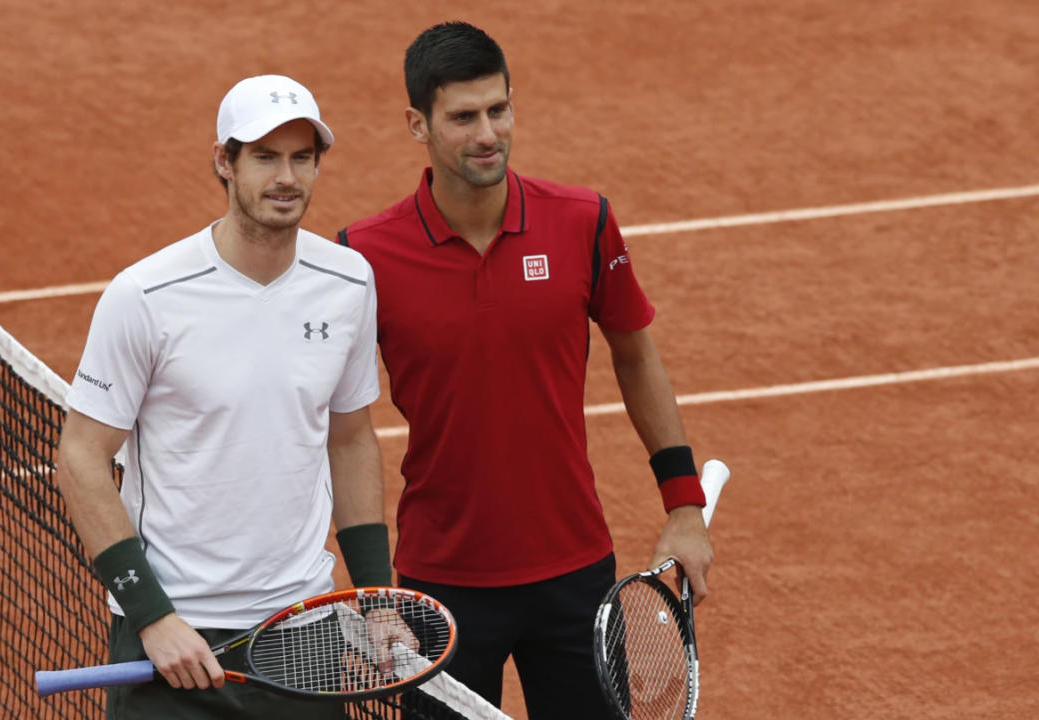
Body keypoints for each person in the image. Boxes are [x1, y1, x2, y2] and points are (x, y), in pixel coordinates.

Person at [336, 23, 715, 718]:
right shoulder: (363, 259)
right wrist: (372, 591)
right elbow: (345, 430)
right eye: (462, 117)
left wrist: (684, 505)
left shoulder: (582, 221)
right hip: (439, 586)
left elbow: (635, 355)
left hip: (575, 575)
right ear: (418, 124)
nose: (487, 134)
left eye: (498, 110)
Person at [56, 74, 394, 720]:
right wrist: (154, 618)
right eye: (264, 157)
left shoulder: (349, 284)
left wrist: (377, 601)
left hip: (302, 634)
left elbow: (350, 439)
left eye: (301, 157)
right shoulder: (146, 297)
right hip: (175, 642)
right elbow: (79, 458)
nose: (285, 176)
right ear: (224, 162)